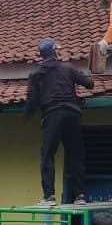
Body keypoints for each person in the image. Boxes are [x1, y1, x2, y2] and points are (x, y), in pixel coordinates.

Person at [25, 38, 95, 207]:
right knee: (75, 154)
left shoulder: (36, 75)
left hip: (52, 115)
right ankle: (79, 195)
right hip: (72, 114)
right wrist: (88, 75)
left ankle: (49, 196)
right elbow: (90, 84)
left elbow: (32, 101)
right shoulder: (68, 68)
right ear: (55, 52)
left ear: (41, 56)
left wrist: (27, 116)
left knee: (48, 154)